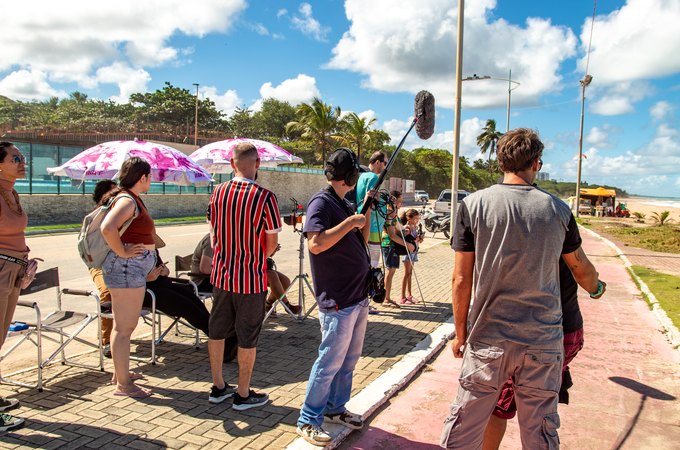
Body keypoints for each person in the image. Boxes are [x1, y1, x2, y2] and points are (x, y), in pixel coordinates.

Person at [441, 128, 606, 449]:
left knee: (463, 429)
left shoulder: (473, 205)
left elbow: (461, 279)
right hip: (543, 342)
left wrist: (461, 334)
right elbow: (580, 268)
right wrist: (597, 288)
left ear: (501, 162)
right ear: (536, 163)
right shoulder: (558, 210)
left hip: (488, 340)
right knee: (540, 432)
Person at [207, 142, 281, 410]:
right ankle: (243, 393)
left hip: (222, 276)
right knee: (247, 336)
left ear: (232, 164)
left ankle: (218, 386)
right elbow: (271, 242)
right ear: (257, 164)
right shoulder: (265, 197)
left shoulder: (218, 192)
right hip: (250, 278)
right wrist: (256, 255)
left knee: (217, 332)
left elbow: (213, 233)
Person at [482, 259, 586, 449]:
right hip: (566, 332)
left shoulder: (512, 237)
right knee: (540, 410)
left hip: (531, 335)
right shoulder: (564, 231)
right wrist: (597, 288)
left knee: (499, 406)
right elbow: (586, 275)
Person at [101, 157, 157, 399]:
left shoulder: (129, 198)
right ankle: (123, 385)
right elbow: (107, 227)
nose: (152, 180)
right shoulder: (126, 200)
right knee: (125, 328)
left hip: (129, 269)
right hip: (125, 269)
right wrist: (122, 251)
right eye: (150, 176)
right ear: (142, 177)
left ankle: (120, 374)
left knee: (123, 326)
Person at [0, 142, 29, 431]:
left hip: (14, 269)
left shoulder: (12, 192)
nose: (22, 162)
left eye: (23, 158)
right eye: (16, 158)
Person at [88, 180, 118, 358]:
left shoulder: (120, 213)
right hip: (99, 264)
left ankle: (121, 333)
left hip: (119, 261)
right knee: (107, 292)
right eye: (113, 194)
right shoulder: (94, 217)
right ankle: (106, 341)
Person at [380, 191, 414, 308]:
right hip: (389, 244)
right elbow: (392, 234)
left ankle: (387, 297)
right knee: (390, 271)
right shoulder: (390, 213)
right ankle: (386, 298)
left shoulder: (394, 213)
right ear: (393, 200)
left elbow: (398, 230)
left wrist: (405, 231)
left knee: (392, 271)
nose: (401, 203)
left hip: (393, 245)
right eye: (399, 200)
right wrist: (407, 245)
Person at [355, 151, 387, 268]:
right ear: (377, 162)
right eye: (385, 163)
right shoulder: (373, 177)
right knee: (371, 267)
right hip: (372, 228)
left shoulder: (362, 176)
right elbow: (371, 203)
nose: (385, 167)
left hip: (364, 224)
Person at [264, 245, 301, 315]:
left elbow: (266, 255)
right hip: (249, 270)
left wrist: (272, 250)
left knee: (285, 281)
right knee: (272, 275)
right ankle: (287, 305)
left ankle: (267, 305)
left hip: (262, 267)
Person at [399, 208, 423, 305]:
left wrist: (419, 239)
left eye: (418, 218)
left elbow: (416, 240)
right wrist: (408, 234)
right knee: (406, 274)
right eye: (415, 218)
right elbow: (405, 238)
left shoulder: (415, 227)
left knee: (410, 274)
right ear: (409, 218)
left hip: (414, 252)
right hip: (407, 253)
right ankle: (403, 297)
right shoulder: (407, 227)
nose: (417, 220)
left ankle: (409, 295)